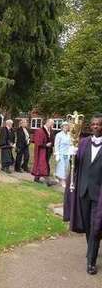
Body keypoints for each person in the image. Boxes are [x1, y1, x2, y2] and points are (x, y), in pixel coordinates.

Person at [64, 114, 102, 275]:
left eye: (98, 124)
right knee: (88, 225)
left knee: (95, 227)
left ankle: (91, 262)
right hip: (84, 190)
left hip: (99, 193)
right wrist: (73, 154)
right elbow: (75, 165)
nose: (95, 127)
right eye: (93, 124)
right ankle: (92, 248)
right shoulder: (84, 143)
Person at [31, 118, 56, 186]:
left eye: (53, 124)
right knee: (43, 165)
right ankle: (48, 181)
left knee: (43, 164)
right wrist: (45, 145)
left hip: (48, 151)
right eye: (51, 123)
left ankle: (36, 178)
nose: (52, 125)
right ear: (47, 122)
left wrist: (52, 144)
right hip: (41, 151)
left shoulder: (51, 131)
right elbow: (37, 142)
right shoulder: (40, 131)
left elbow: (53, 140)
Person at [54, 122, 71, 187]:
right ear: (62, 127)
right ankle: (63, 180)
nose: (66, 127)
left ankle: (57, 175)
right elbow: (56, 144)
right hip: (61, 153)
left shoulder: (69, 134)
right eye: (64, 126)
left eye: (67, 126)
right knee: (62, 167)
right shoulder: (59, 135)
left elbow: (71, 144)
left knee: (66, 167)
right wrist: (57, 154)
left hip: (67, 153)